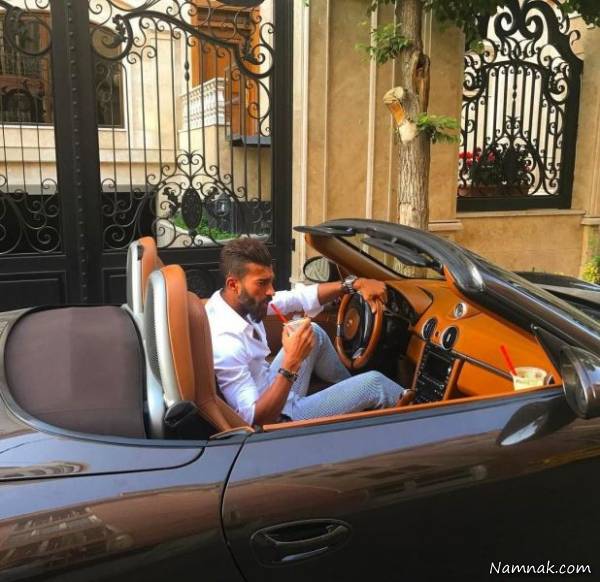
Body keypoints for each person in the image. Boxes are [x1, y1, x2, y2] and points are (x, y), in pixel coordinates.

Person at [204, 238, 407, 425]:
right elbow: (256, 420)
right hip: (280, 418)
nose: (271, 291)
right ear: (233, 284)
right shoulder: (226, 343)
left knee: (314, 332)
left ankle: (353, 395)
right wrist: (291, 362)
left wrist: (352, 284)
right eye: (262, 283)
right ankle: (419, 419)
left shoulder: (236, 302)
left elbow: (296, 298)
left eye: (270, 281)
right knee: (375, 384)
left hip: (273, 385)